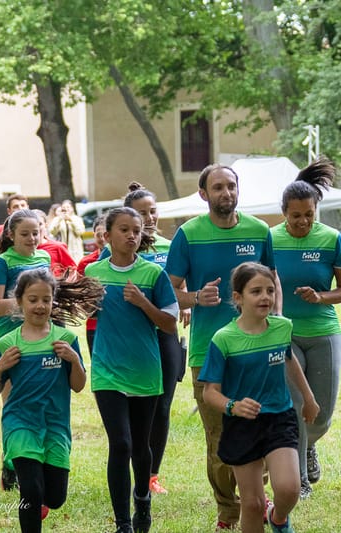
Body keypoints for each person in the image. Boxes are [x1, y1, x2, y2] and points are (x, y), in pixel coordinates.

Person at [165, 163, 280, 530]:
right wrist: (195, 297)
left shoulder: (259, 230)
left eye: (231, 186)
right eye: (217, 187)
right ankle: (228, 509)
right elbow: (169, 291)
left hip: (257, 350)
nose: (226, 193)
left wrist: (276, 325)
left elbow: (272, 280)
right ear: (203, 194)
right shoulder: (189, 234)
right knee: (219, 439)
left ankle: (256, 499)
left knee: (259, 429)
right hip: (208, 352)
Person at [199, 262, 319, 533]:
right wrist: (233, 406)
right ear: (238, 297)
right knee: (252, 505)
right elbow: (210, 392)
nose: (265, 297)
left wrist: (309, 398)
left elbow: (289, 359)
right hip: (242, 424)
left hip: (279, 417)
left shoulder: (282, 327)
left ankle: (278, 518)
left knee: (289, 489)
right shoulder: (223, 339)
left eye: (270, 290)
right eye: (256, 291)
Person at [85, 207, 178, 533]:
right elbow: (84, 311)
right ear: (107, 236)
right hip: (107, 370)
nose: (131, 236)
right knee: (120, 444)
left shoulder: (153, 274)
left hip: (144, 371)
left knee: (140, 447)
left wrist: (143, 302)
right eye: (123, 230)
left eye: (136, 231)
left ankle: (142, 497)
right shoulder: (93, 272)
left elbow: (169, 323)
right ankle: (123, 523)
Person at [0, 268, 96, 532]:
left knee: (55, 498)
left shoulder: (65, 339)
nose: (40, 306)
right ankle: (21, 475)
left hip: (55, 424)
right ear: (19, 301)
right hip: (20, 422)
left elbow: (78, 386)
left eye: (46, 299)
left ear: (53, 301)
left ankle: (39, 490)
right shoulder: (7, 343)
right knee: (31, 491)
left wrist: (74, 360)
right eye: (33, 299)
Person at [271, 157, 341, 498]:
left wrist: (321, 296)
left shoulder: (332, 239)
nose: (302, 221)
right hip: (285, 334)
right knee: (296, 405)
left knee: (322, 413)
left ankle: (309, 445)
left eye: (309, 215)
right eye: (295, 215)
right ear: (284, 212)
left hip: (324, 332)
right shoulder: (270, 239)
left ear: (316, 210)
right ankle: (298, 478)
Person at [113, 182, 188, 496]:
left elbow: (180, 285)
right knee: (133, 405)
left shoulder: (171, 246)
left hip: (164, 333)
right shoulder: (118, 248)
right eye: (142, 213)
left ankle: (151, 476)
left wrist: (187, 305)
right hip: (130, 337)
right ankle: (131, 464)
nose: (150, 218)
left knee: (162, 405)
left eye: (153, 211)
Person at [0, 208, 51, 491]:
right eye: (25, 234)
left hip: (40, 340)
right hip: (9, 341)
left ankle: (36, 462)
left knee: (39, 405)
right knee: (14, 406)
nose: (32, 238)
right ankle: (11, 463)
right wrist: (26, 303)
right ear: (11, 235)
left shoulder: (45, 258)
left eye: (36, 233)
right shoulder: (3, 263)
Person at [76, 215, 107, 355]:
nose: (102, 239)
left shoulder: (126, 260)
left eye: (105, 234)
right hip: (94, 325)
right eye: (98, 235)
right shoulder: (86, 263)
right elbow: (80, 294)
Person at [33, 209, 77, 278]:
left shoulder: (58, 247)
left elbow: (73, 271)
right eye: (32, 225)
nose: (37, 228)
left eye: (40, 224)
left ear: (46, 225)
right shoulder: (21, 250)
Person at [47, 199, 86, 263]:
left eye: (68, 207)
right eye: (64, 207)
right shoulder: (57, 219)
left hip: (76, 250)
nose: (66, 209)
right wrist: (59, 219)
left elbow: (80, 232)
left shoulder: (77, 219)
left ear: (72, 208)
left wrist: (70, 220)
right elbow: (52, 232)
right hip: (63, 249)